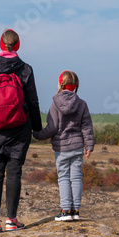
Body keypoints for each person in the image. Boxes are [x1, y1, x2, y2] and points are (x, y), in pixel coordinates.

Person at [0, 29, 42, 233]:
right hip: (20, 129)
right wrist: (36, 128)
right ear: (18, 45)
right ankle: (11, 220)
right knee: (14, 173)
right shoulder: (26, 69)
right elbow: (32, 101)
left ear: (1, 43)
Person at [33, 70, 94, 221]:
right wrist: (89, 146)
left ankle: (65, 211)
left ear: (61, 84)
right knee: (76, 178)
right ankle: (75, 211)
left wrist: (37, 135)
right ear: (76, 86)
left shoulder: (55, 104)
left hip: (61, 148)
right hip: (77, 146)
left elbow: (52, 128)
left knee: (64, 178)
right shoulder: (82, 104)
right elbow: (87, 127)